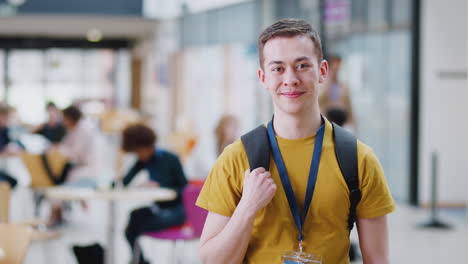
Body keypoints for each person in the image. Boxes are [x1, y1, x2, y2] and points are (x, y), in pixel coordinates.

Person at [196, 18, 395, 264]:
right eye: (277, 68)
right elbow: (211, 261)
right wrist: (247, 207)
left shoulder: (358, 159)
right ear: (263, 77)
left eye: (302, 65)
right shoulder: (236, 158)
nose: (290, 79)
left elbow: (378, 260)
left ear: (322, 71)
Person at [120, 124, 187, 264]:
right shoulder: (144, 160)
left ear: (148, 146)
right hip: (159, 208)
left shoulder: (171, 158)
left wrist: (160, 186)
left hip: (177, 211)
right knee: (133, 217)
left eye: (139, 152)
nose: (138, 155)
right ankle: (140, 260)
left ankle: (138, 261)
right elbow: (126, 181)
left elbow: (184, 189)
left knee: (134, 226)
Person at [48, 105, 99, 225]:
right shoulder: (75, 129)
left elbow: (74, 153)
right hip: (78, 168)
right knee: (57, 185)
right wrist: (58, 148)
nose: (63, 121)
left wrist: (59, 150)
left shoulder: (83, 129)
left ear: (70, 118)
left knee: (58, 190)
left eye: (64, 118)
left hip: (87, 170)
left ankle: (55, 215)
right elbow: (66, 145)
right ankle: (58, 214)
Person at [319, 54, 355, 129]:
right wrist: (329, 82)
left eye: (338, 68)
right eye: (334, 68)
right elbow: (319, 100)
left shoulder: (344, 86)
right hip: (326, 122)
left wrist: (352, 124)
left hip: (340, 122)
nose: (336, 70)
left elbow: (348, 106)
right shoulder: (321, 85)